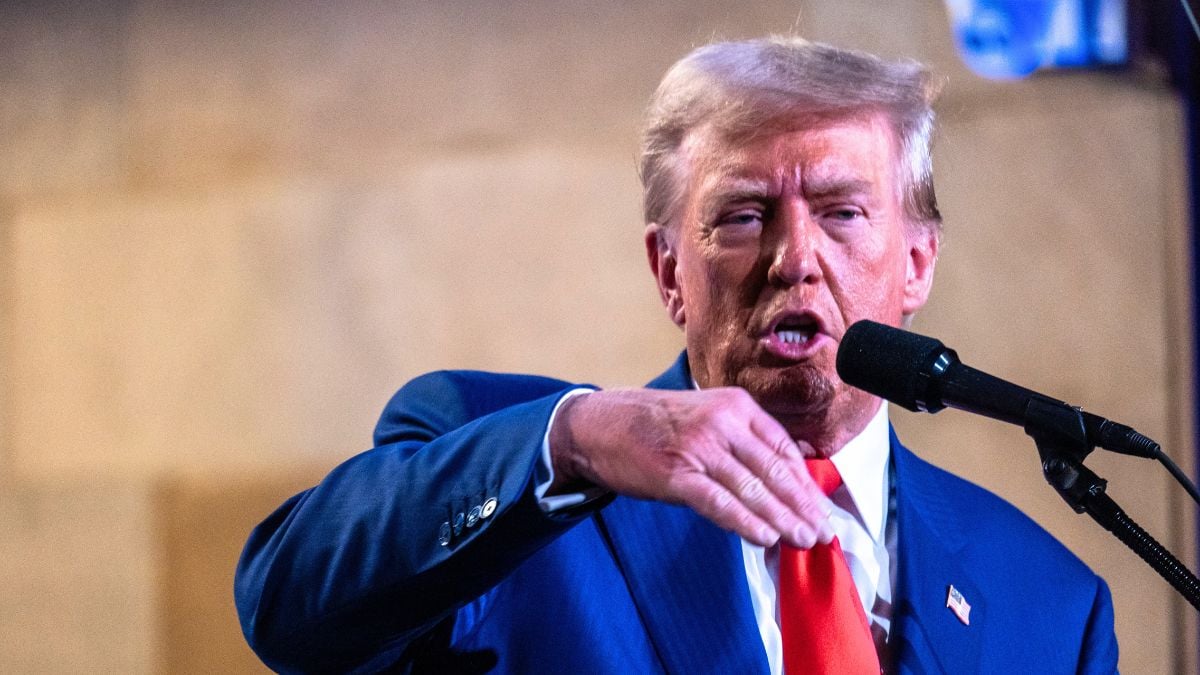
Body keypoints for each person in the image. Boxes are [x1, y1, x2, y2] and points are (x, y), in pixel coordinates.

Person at [235, 37, 1118, 673]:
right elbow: (285, 608)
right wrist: (574, 441)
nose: (796, 257)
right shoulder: (519, 463)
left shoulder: (1048, 600)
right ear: (670, 272)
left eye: (843, 213)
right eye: (744, 216)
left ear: (918, 262)